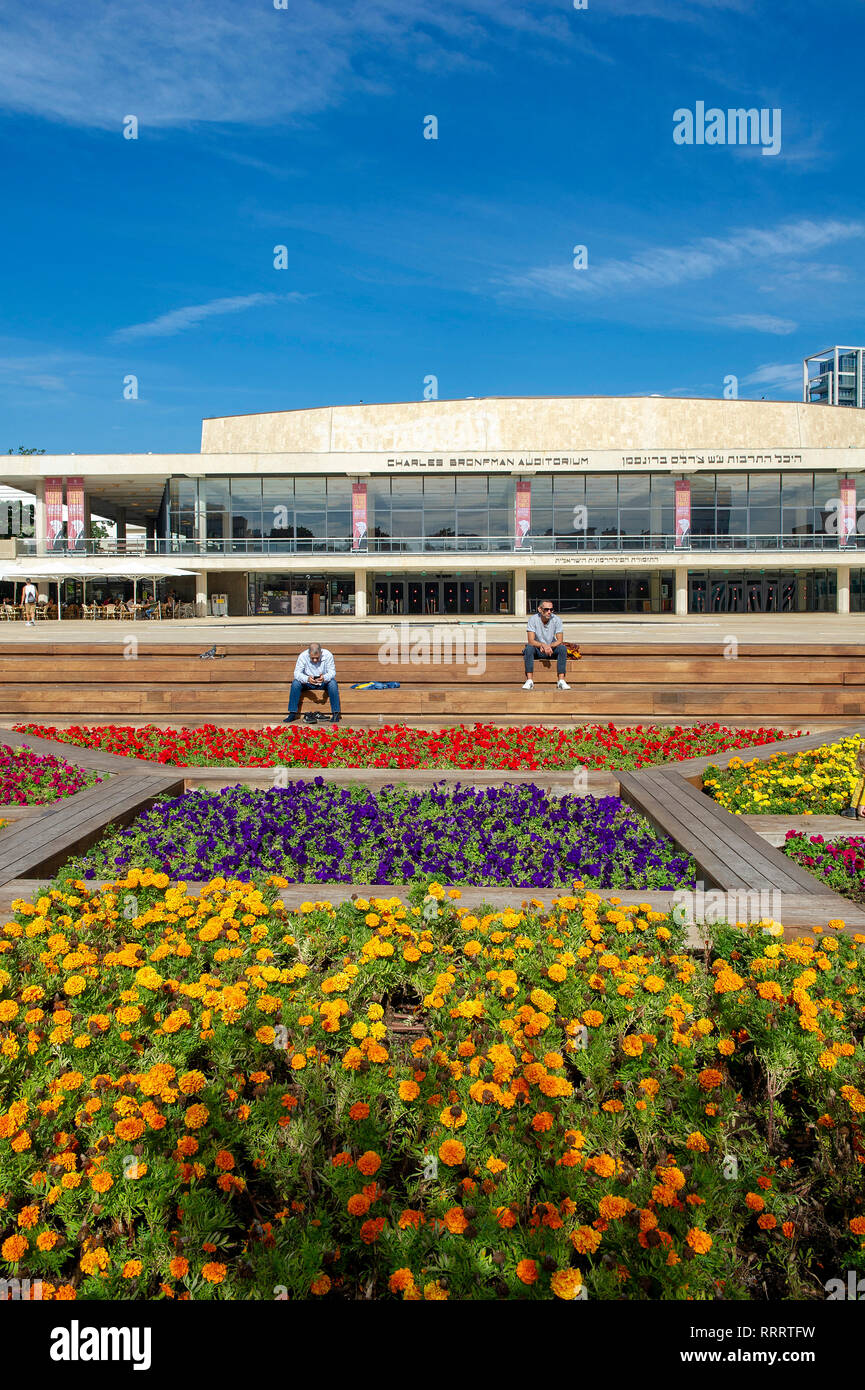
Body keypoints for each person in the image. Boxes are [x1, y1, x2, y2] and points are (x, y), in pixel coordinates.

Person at [284, 642, 341, 723]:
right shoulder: (303, 656)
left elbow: (332, 672)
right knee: (295, 683)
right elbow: (297, 674)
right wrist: (307, 678)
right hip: (307, 682)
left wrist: (324, 677)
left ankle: (336, 713)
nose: (315, 660)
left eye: (317, 658)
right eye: (312, 658)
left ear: (321, 653)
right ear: (308, 653)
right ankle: (292, 713)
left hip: (323, 682)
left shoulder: (328, 655)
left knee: (333, 683)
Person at [523, 598, 570, 690]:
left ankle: (561, 680)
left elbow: (560, 640)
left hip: (551, 650)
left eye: (551, 609)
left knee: (562, 649)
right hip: (538, 649)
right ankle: (529, 680)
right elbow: (531, 640)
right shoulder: (533, 619)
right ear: (540, 609)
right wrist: (542, 645)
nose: (549, 612)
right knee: (528, 648)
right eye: (546, 609)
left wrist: (548, 646)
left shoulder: (557, 619)